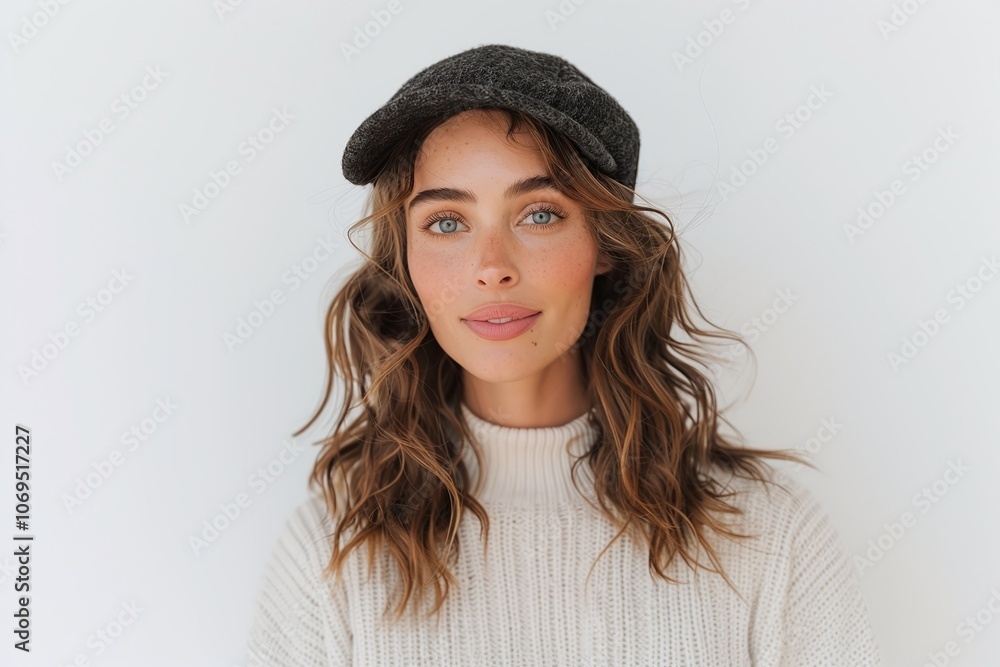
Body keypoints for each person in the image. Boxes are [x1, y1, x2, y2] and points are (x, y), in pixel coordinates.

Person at [244, 43, 883, 666]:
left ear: (605, 242)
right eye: (446, 222)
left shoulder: (768, 539)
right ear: (405, 261)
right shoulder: (332, 554)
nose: (492, 268)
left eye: (539, 215)